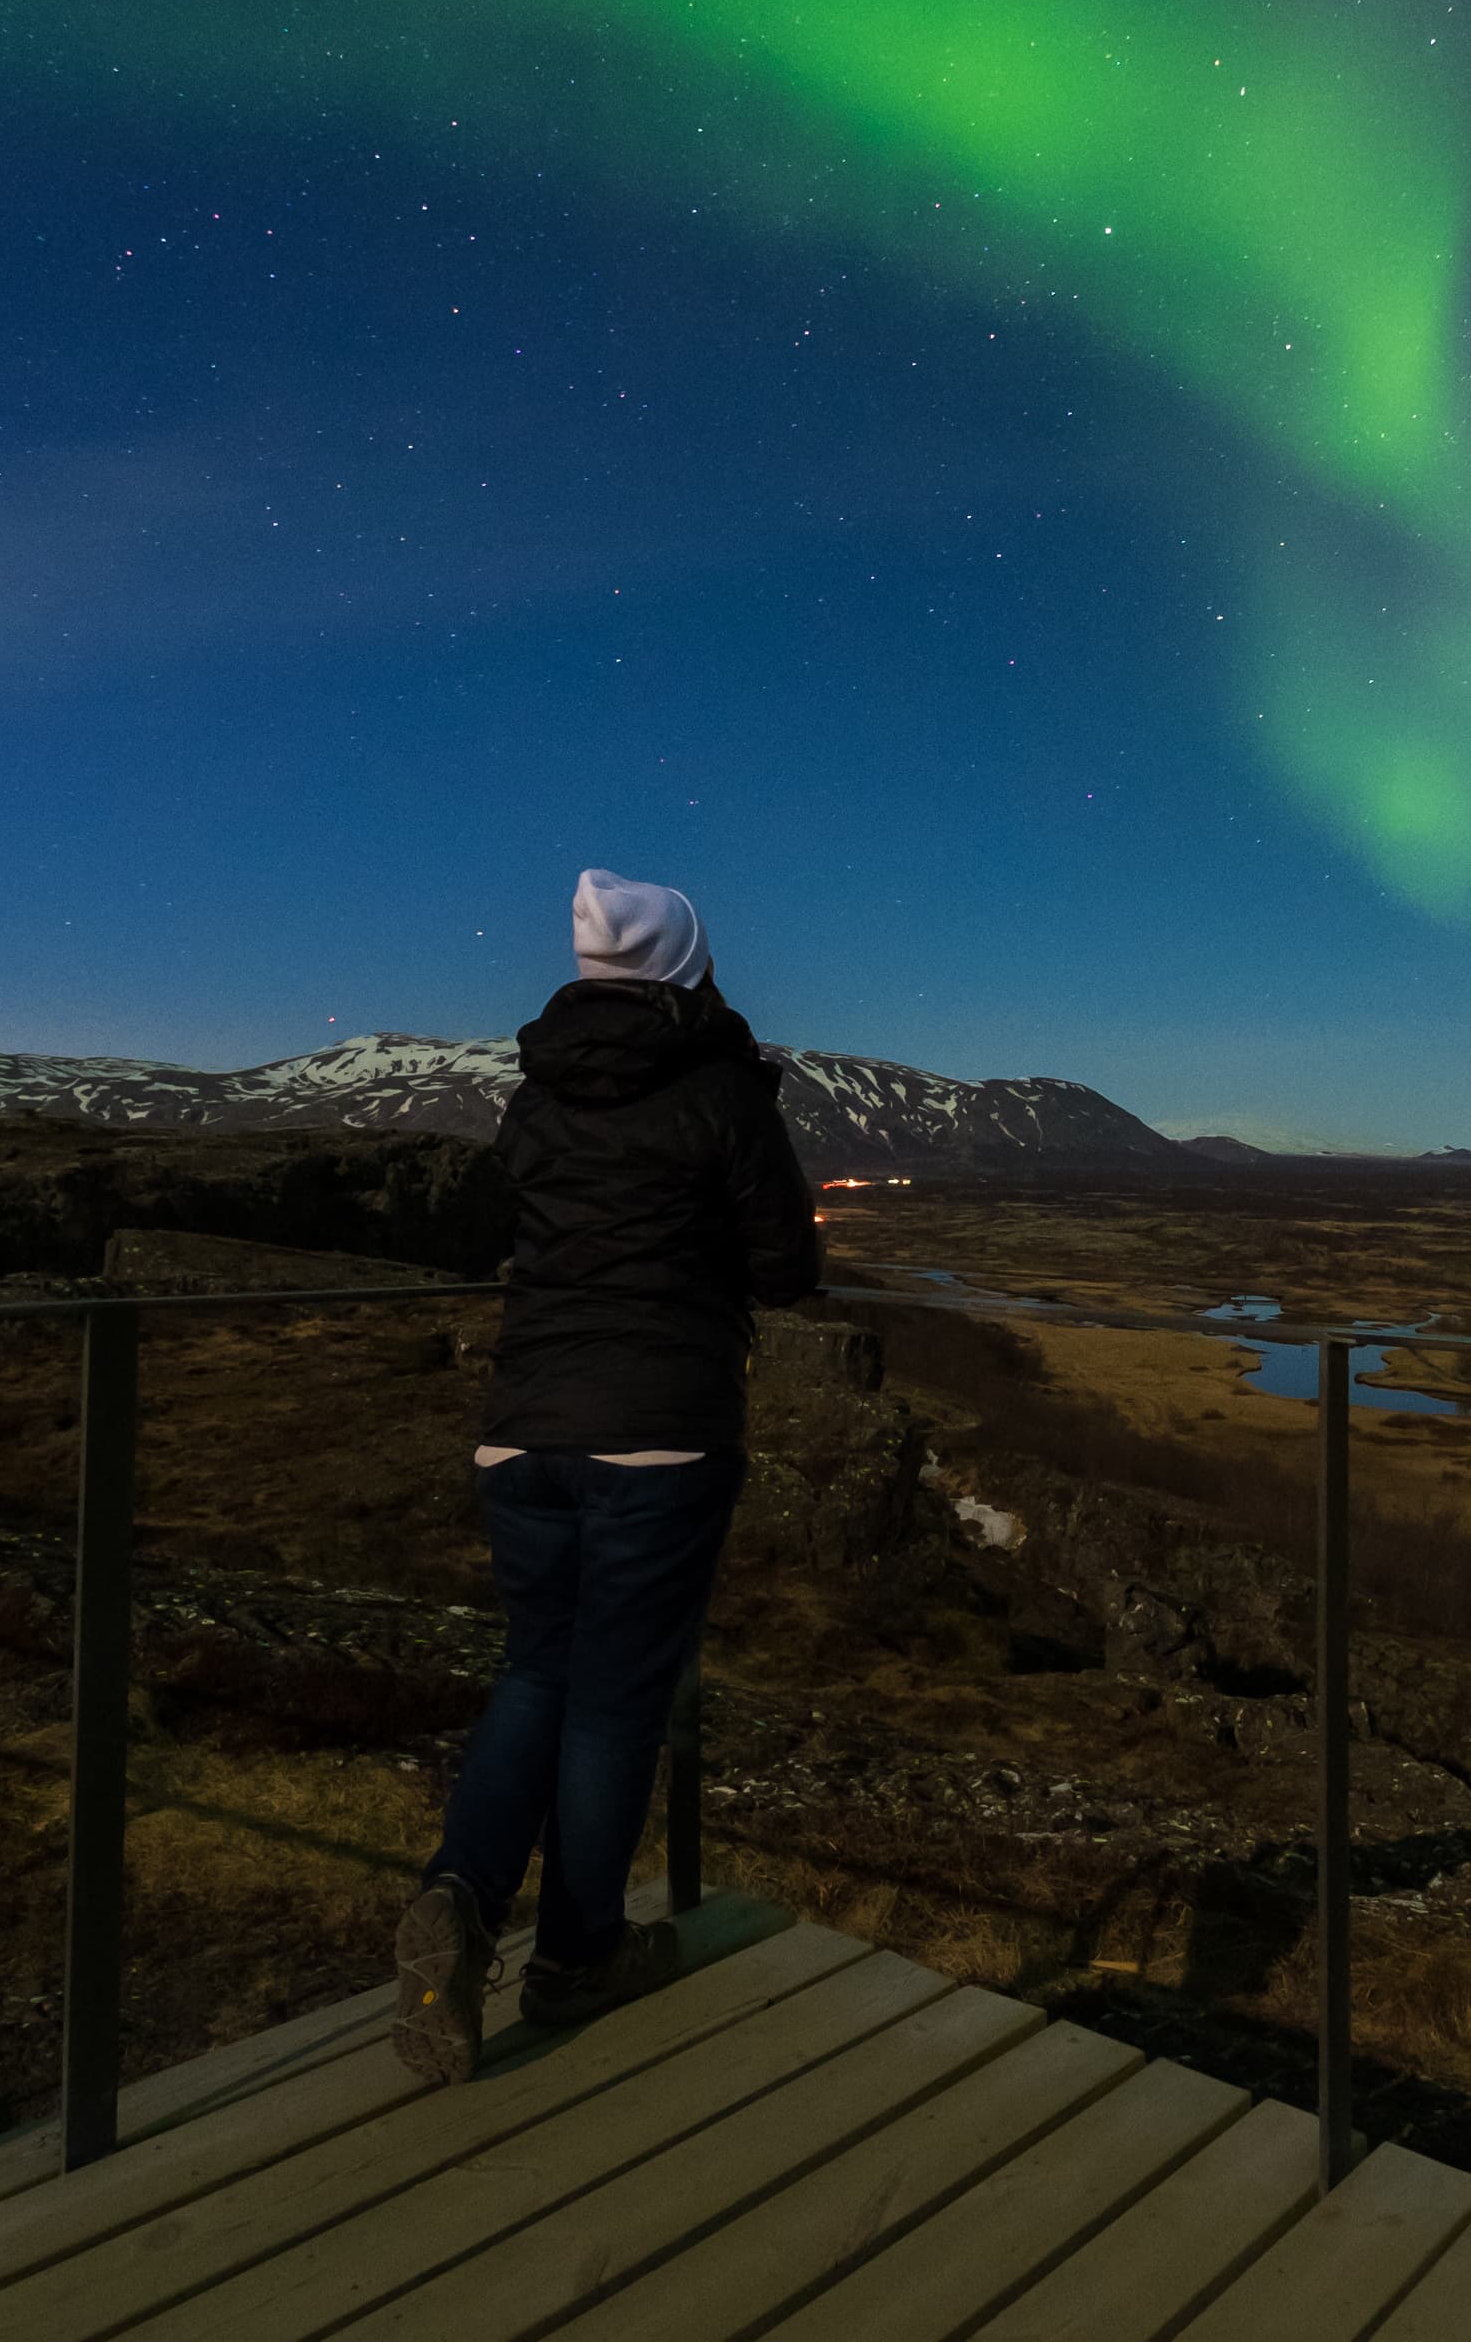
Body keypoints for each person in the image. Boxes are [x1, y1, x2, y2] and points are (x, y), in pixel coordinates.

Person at [392, 869, 821, 2084]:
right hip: (658, 1434)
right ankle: (577, 1957)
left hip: (521, 1430)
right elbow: (787, 1267)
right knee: (615, 1704)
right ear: (689, 966)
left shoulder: (532, 1097)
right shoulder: (721, 1093)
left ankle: (459, 1894)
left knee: (535, 1670)